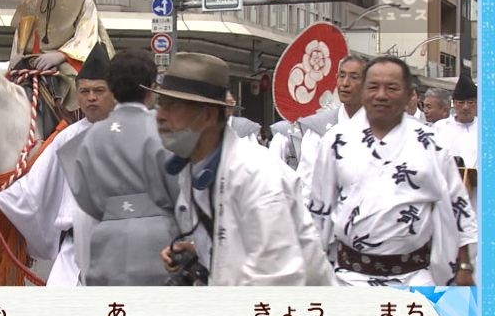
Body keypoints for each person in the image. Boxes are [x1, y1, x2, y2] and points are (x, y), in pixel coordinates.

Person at [155, 53, 334, 286]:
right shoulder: (192, 167)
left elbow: (278, 277)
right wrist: (201, 249)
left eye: (172, 106)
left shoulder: (256, 174)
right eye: (160, 105)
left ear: (208, 115)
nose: (159, 116)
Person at [308, 56, 477, 286]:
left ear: (409, 96)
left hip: (416, 278)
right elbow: (319, 211)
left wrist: (465, 267)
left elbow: (457, 206)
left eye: (392, 88)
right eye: (373, 87)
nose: (381, 95)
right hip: (349, 278)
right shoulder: (336, 141)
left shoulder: (431, 142)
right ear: (363, 92)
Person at [0, 43, 116, 286]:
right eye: (84, 91)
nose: (91, 97)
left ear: (115, 93)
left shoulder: (132, 134)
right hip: (75, 250)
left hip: (122, 249)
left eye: (99, 90)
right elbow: (35, 184)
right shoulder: (69, 137)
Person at [59, 49, 181, 286]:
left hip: (108, 238)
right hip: (160, 239)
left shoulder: (89, 138)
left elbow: (85, 201)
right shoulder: (166, 132)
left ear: (112, 91)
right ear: (151, 89)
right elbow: (181, 191)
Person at [296, 55, 367, 205]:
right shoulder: (320, 128)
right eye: (342, 76)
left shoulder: (379, 128)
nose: (345, 83)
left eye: (354, 77)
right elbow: (306, 185)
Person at [434, 73, 478, 202]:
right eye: (461, 102)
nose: (465, 107)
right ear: (454, 103)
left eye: (470, 102)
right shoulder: (440, 128)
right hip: (447, 192)